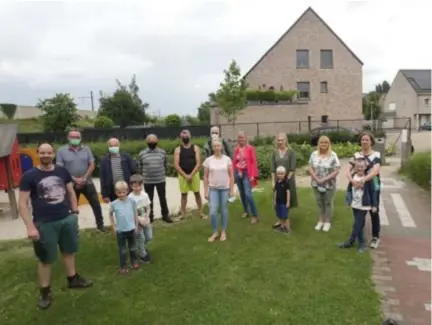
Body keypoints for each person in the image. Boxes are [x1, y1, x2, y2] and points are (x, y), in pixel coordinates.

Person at [18, 142, 92, 310]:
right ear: (38, 153)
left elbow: (71, 192)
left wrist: (74, 211)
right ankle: (45, 292)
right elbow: (22, 204)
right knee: (45, 259)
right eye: (42, 152)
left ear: (53, 154)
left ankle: (73, 279)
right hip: (44, 224)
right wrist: (30, 227)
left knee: (69, 251)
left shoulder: (61, 171)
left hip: (66, 219)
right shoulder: (29, 176)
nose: (45, 155)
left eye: (48, 152)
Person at [56, 129, 106, 232]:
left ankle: (100, 226)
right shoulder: (61, 151)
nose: (75, 139)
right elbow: (60, 168)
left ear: (81, 138)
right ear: (68, 138)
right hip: (70, 185)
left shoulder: (86, 149)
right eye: (72, 137)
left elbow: (92, 164)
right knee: (72, 207)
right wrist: (75, 179)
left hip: (87, 182)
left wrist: (84, 178)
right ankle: (74, 228)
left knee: (96, 204)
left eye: (77, 137)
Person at [345, 132, 382, 249]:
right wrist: (352, 181)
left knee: (374, 210)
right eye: (362, 140)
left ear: (371, 141)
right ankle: (359, 235)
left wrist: (363, 180)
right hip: (357, 185)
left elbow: (375, 171)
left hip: (372, 185)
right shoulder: (356, 155)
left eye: (367, 139)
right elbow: (347, 170)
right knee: (358, 208)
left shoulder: (376, 155)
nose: (364, 141)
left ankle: (375, 237)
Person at [339, 159, 378, 253]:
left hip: (363, 206)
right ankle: (361, 244)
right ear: (355, 168)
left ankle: (351, 242)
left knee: (356, 225)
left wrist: (374, 205)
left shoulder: (368, 179)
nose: (359, 168)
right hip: (355, 205)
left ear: (365, 168)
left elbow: (373, 192)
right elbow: (349, 190)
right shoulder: (353, 176)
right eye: (357, 167)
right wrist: (348, 202)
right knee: (360, 225)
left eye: (361, 167)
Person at [203, 138, 235, 242]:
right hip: (213, 189)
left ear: (221, 147)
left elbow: (231, 175)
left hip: (225, 189)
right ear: (212, 148)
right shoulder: (208, 160)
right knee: (213, 211)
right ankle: (215, 232)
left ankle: (223, 231)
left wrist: (231, 190)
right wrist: (206, 190)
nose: (217, 147)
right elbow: (205, 176)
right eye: (214, 146)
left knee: (224, 210)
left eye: (218, 145)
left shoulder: (227, 159)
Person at [308, 135, 341, 232]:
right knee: (319, 202)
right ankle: (320, 221)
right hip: (316, 183)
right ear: (318, 143)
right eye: (321, 142)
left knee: (328, 202)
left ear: (329, 144)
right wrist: (317, 179)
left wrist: (324, 179)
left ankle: (327, 222)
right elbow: (310, 167)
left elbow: (336, 170)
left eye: (326, 142)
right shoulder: (314, 154)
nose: (323, 144)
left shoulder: (333, 155)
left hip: (329, 183)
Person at [138, 134, 173, 223]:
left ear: (157, 142)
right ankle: (150, 216)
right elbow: (140, 166)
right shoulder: (142, 153)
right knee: (148, 199)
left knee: (163, 198)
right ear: (147, 142)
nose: (152, 143)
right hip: (147, 181)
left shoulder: (162, 152)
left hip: (160, 180)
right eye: (150, 142)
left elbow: (165, 164)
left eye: (154, 142)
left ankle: (165, 215)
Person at [174, 129, 206, 220]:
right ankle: (183, 214)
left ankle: (201, 212)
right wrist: (186, 176)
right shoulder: (178, 149)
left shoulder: (195, 148)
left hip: (194, 174)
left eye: (186, 135)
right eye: (183, 136)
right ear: (180, 138)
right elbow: (176, 165)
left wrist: (191, 175)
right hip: (183, 176)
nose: (185, 137)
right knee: (183, 195)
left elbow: (199, 162)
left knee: (197, 193)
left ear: (190, 136)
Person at [109, 181, 140, 274]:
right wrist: (113, 226)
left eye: (123, 192)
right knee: (122, 250)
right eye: (119, 193)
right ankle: (123, 266)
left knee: (133, 247)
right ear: (115, 192)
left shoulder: (132, 201)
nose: (121, 194)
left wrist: (136, 226)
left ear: (127, 191)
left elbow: (135, 213)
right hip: (121, 231)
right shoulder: (114, 204)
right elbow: (110, 215)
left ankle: (134, 262)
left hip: (131, 229)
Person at [270, 133, 298, 229]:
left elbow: (292, 169)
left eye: (282, 140)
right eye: (279, 140)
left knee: (286, 201)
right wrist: (274, 182)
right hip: (277, 182)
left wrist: (286, 181)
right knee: (277, 200)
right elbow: (273, 169)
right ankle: (280, 219)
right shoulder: (274, 153)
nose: (280, 142)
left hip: (288, 181)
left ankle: (285, 219)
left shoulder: (291, 152)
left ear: (286, 141)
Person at [99, 138, 137, 203]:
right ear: (108, 147)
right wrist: (104, 195)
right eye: (111, 146)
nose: (113, 147)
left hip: (127, 190)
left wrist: (135, 188)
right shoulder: (104, 160)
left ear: (119, 145)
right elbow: (102, 179)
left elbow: (134, 173)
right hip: (113, 191)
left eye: (115, 145)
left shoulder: (127, 157)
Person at [233, 131, 259, 224]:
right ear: (237, 139)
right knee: (242, 193)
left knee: (248, 194)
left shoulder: (250, 149)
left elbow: (253, 162)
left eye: (242, 137)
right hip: (238, 173)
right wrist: (233, 174)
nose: (241, 139)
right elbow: (234, 162)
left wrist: (253, 175)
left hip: (247, 174)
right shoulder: (236, 149)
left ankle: (254, 215)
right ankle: (246, 211)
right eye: (239, 137)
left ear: (246, 138)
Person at [128, 174, 152, 264]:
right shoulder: (130, 198)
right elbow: (131, 212)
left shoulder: (144, 195)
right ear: (131, 186)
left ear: (142, 185)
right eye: (134, 186)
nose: (137, 188)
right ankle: (143, 255)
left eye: (139, 186)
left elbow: (148, 208)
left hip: (145, 220)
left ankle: (141, 247)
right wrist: (139, 220)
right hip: (136, 221)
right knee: (140, 237)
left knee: (149, 236)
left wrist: (146, 218)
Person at [273, 166, 291, 234]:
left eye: (282, 174)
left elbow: (288, 192)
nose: (280, 175)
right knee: (279, 215)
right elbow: (275, 192)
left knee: (285, 216)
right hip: (278, 202)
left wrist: (288, 202)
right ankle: (282, 227)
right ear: (276, 174)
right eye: (278, 174)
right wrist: (274, 201)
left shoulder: (286, 183)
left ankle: (288, 229)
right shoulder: (277, 182)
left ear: (285, 174)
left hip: (284, 202)